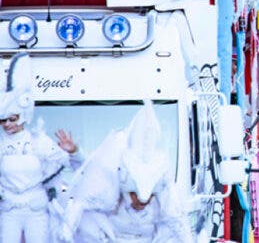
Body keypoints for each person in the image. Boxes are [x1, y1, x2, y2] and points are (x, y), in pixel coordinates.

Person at [57, 100, 192, 242]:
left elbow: (178, 222)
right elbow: (85, 189)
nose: (142, 201)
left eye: (150, 196)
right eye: (134, 194)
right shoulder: (108, 186)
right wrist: (66, 233)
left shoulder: (163, 193)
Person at [0, 53, 71, 243]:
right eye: (2, 121)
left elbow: (67, 164)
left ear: (22, 115)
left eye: (12, 119)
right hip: (9, 208)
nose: (7, 125)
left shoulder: (39, 141)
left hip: (36, 208)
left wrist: (70, 151)